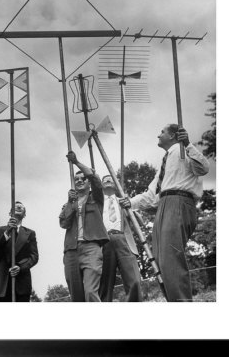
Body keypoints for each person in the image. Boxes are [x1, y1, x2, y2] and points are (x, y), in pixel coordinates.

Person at [119, 124, 209, 302]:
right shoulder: (166, 161)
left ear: (173, 135)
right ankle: (173, 301)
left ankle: (182, 304)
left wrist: (188, 145)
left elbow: (203, 168)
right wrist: (131, 202)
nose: (158, 135)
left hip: (179, 202)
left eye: (162, 132)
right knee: (159, 260)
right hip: (164, 205)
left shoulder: (184, 149)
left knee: (170, 258)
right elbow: (152, 195)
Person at [59, 151, 109, 302]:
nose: (80, 181)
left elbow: (95, 177)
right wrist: (70, 203)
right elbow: (63, 223)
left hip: (91, 248)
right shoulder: (68, 203)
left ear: (88, 183)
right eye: (76, 179)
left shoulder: (96, 197)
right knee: (76, 296)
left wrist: (76, 162)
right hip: (71, 251)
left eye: (83, 179)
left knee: (90, 292)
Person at [99, 174, 142, 302]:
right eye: (104, 179)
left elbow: (140, 222)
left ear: (116, 184)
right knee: (104, 287)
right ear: (101, 185)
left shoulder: (123, 201)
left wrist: (129, 208)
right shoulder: (97, 203)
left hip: (124, 240)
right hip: (104, 243)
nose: (107, 180)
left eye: (111, 179)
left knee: (134, 282)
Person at [0, 201, 38, 302]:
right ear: (10, 213)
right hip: (0, 283)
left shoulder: (30, 233)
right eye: (15, 206)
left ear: (24, 214)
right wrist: (7, 232)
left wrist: (20, 267)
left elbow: (34, 257)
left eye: (21, 207)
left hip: (21, 284)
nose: (18, 206)